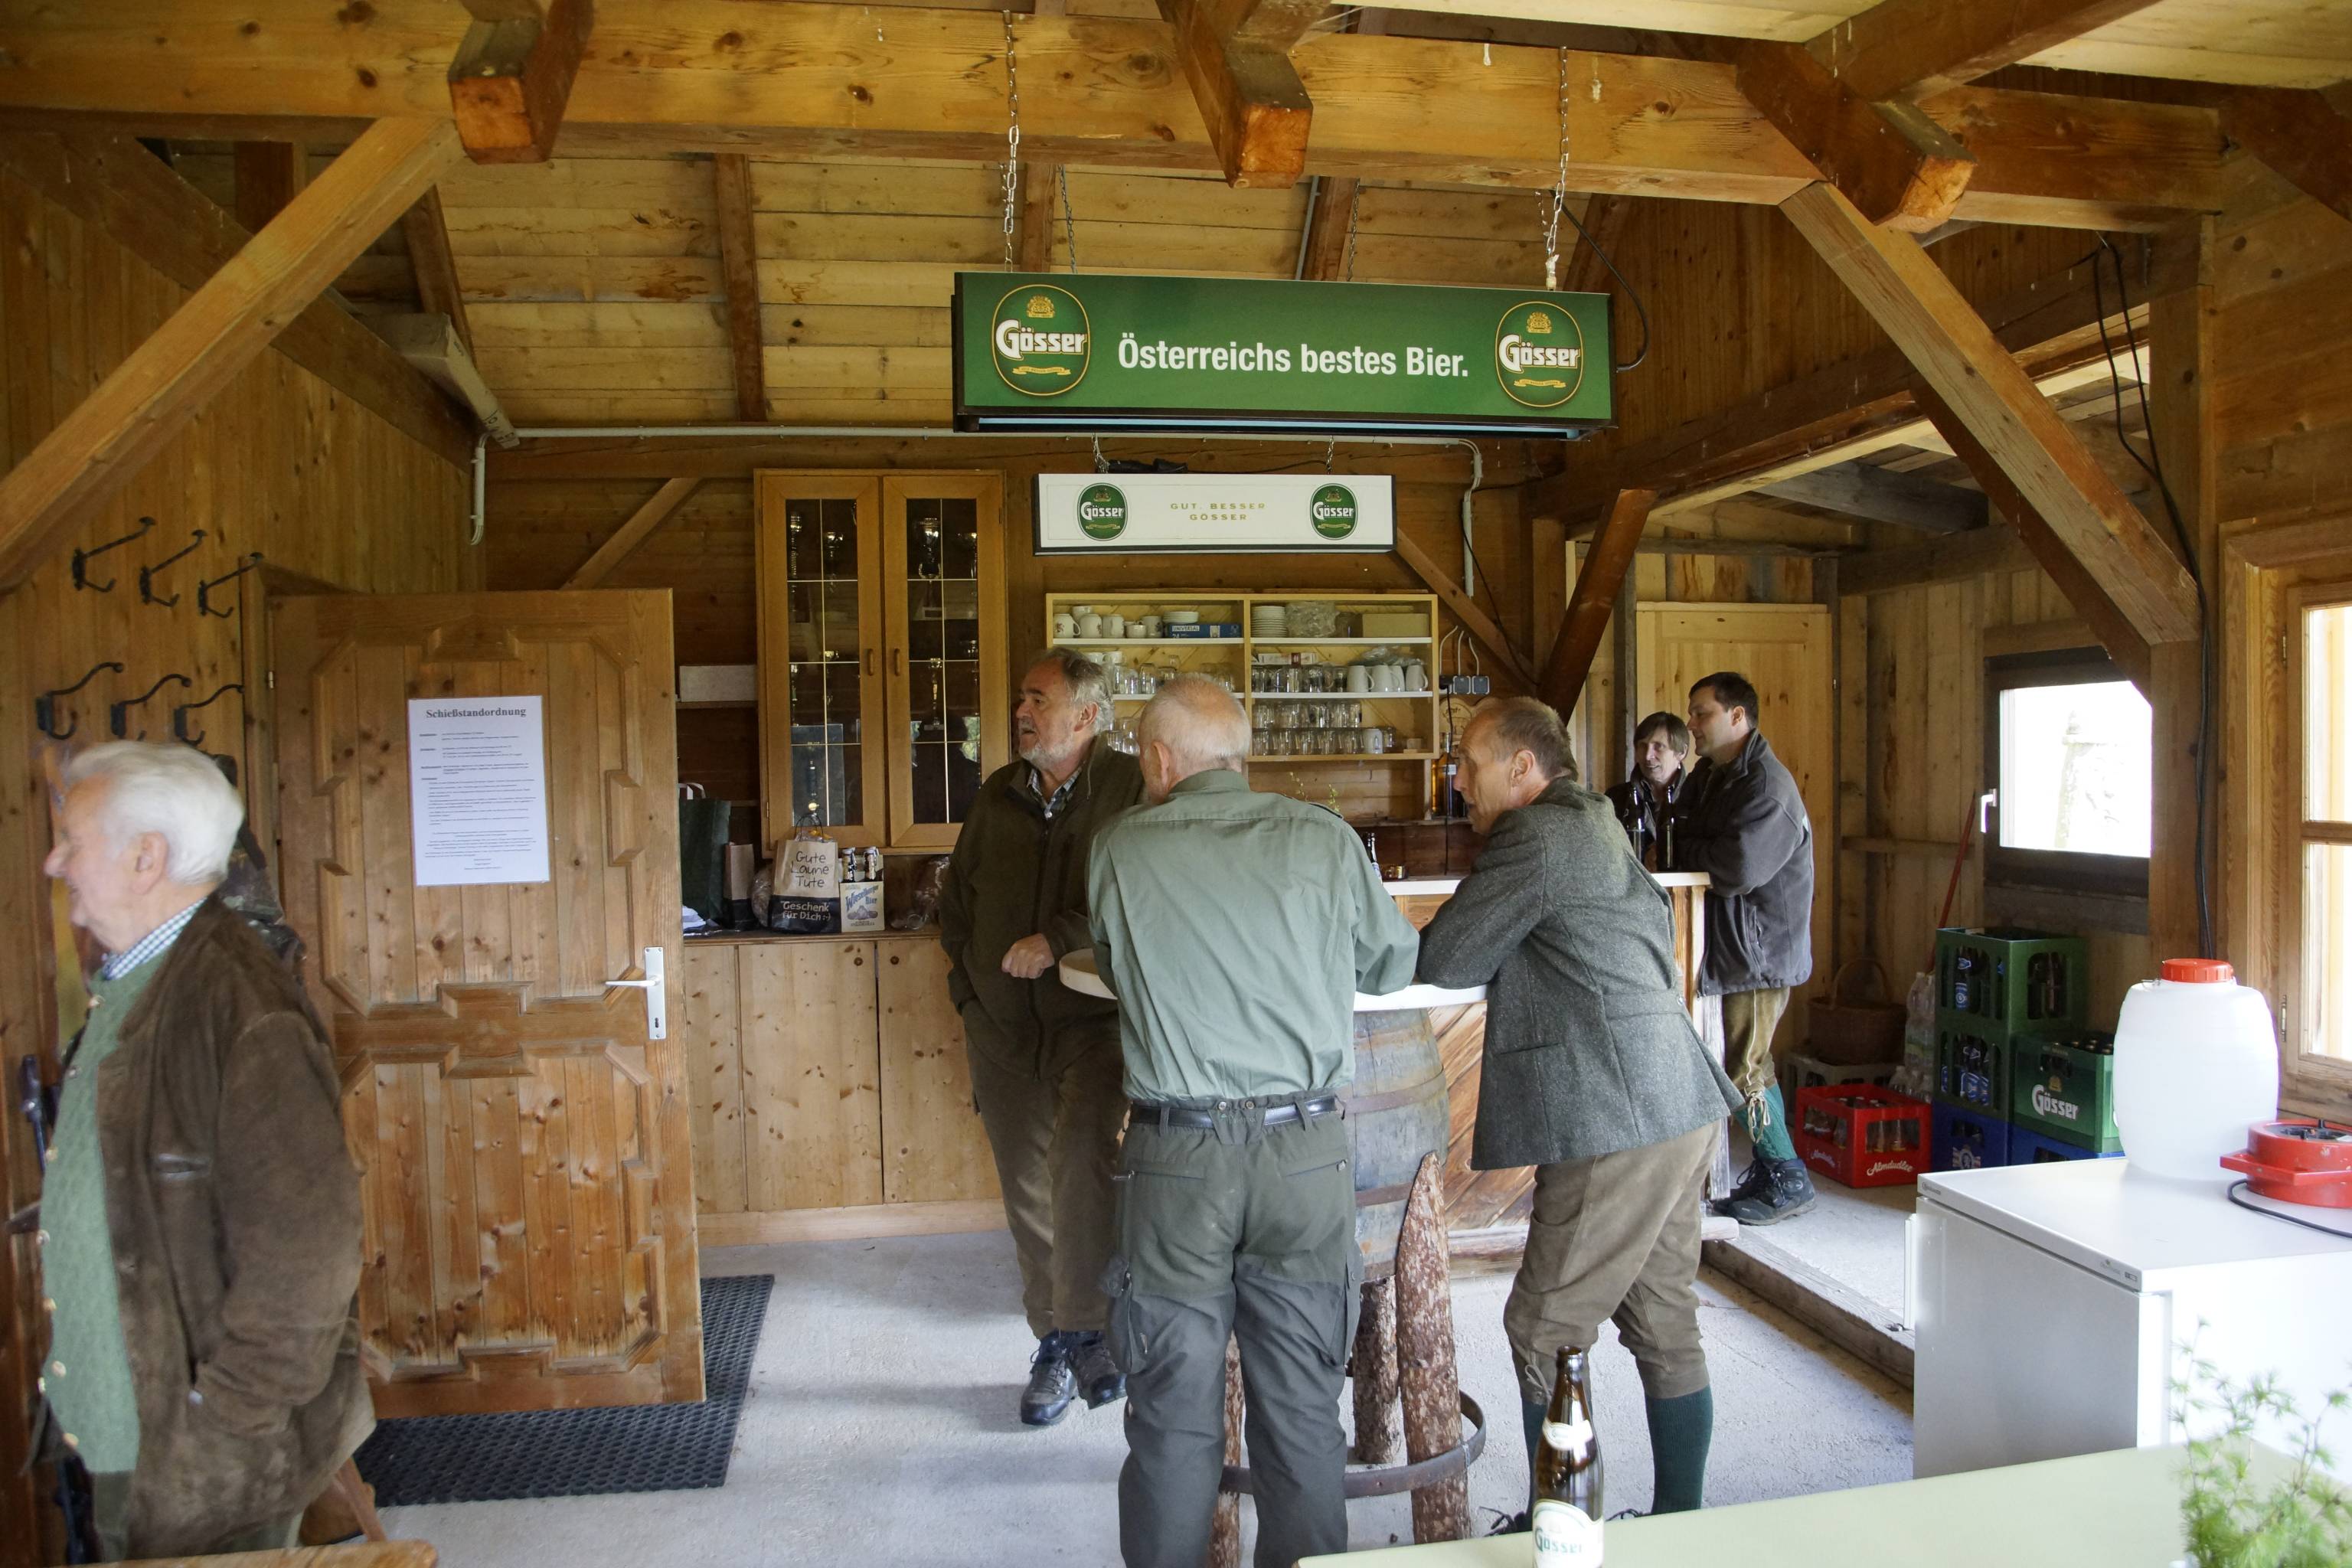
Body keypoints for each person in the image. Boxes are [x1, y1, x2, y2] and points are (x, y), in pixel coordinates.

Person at [1087, 676, 1419, 1568]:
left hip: (1177, 1157)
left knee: (1171, 1419)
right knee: (1304, 1414)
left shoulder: (1120, 846)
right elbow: (1391, 965)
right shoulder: (1325, 837)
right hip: (1303, 1152)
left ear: (1161, 759)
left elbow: (1118, 968)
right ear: (1239, 753)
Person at [37, 741, 370, 1560]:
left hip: (204, 1456)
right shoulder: (137, 983)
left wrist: (226, 1420)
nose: (55, 862)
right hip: (132, 1426)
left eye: (72, 841)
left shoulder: (238, 1005)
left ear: (146, 856)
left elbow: (308, 1249)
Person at [1417, 697, 1742, 1521]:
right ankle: (1678, 1525)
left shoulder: (1532, 834)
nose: (1460, 782)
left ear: (1522, 768)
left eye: (1470, 764)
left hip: (1614, 1113)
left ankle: (1561, 1524)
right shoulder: (1596, 817)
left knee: (1543, 1327)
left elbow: (1447, 955)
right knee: (1665, 1322)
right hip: (1678, 1098)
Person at [939, 649, 1146, 1426]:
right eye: (1022, 698)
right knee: (1024, 1185)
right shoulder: (998, 793)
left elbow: (1142, 895)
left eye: (1038, 699)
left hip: (1093, 1019)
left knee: (1083, 1166)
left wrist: (1059, 937)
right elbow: (956, 905)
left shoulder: (1130, 788)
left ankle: (1091, 1330)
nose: (1021, 711)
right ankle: (1058, 1342)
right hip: (1000, 1026)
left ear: (1086, 715)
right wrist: (968, 994)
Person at [1677, 671, 1818, 1226]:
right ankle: (1773, 1167)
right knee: (1747, 1060)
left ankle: (1787, 1176)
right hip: (1733, 942)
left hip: (1759, 951)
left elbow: (1736, 868)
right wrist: (1694, 845)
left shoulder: (1767, 787)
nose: (1691, 724)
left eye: (1702, 713)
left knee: (1744, 1066)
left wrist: (1693, 848)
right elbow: (1678, 834)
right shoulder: (1714, 775)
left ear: (1738, 716)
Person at [1605, 711, 1691, 869]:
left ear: (1681, 752)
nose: (1647, 756)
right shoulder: (1615, 798)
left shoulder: (1697, 796)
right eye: (1642, 746)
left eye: (1658, 747)